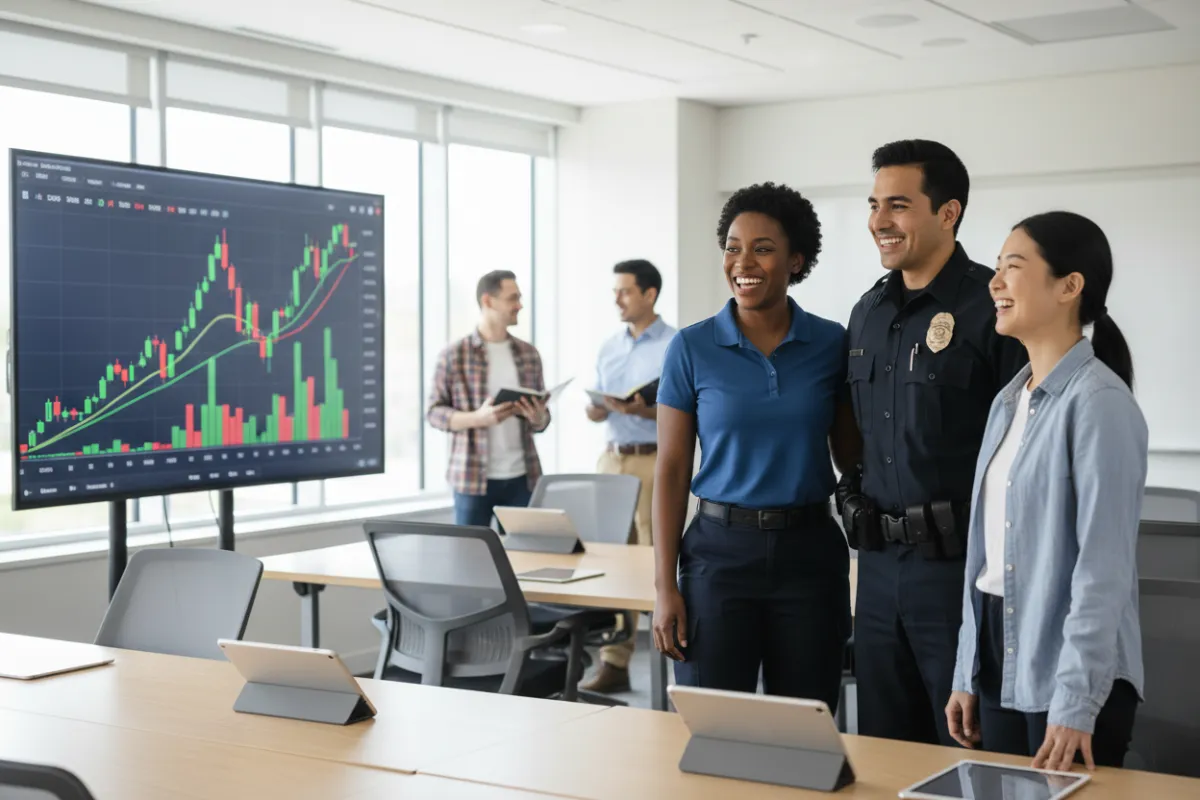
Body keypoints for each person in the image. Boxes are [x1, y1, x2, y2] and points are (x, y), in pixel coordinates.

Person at [841, 140, 1027, 746]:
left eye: (898, 205)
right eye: (874, 204)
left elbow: (1022, 449)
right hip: (875, 571)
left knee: (966, 750)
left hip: (958, 574)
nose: (878, 221)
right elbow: (857, 431)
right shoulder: (867, 311)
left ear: (948, 213)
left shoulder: (992, 307)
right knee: (883, 752)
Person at [946, 211, 1146, 771]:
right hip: (998, 646)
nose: (995, 281)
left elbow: (1102, 570)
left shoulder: (1099, 404)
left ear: (1069, 286)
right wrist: (968, 671)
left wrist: (1078, 700)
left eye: (1014, 266)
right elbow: (984, 558)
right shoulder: (1009, 401)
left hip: (1068, 665)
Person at [651, 182, 860, 709]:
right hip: (718, 557)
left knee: (806, 725)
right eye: (733, 247)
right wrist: (663, 587)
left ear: (796, 260)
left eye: (763, 248)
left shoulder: (833, 343)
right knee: (719, 723)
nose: (743, 261)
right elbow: (673, 470)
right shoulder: (691, 347)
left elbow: (852, 456)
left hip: (809, 554)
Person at [581, 259, 676, 695]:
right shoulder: (608, 346)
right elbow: (595, 403)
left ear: (649, 294)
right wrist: (597, 407)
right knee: (612, 562)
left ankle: (668, 656)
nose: (617, 299)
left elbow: (685, 410)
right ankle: (614, 662)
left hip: (653, 459)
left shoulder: (676, 345)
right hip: (611, 460)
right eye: (614, 291)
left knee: (654, 558)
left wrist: (646, 409)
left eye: (625, 291)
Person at [426, 270, 550, 526]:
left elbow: (542, 421)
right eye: (512, 298)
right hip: (471, 478)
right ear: (488, 301)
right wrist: (477, 418)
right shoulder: (454, 355)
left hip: (522, 478)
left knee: (526, 557)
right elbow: (434, 413)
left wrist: (539, 418)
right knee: (471, 558)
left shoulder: (529, 354)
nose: (519, 305)